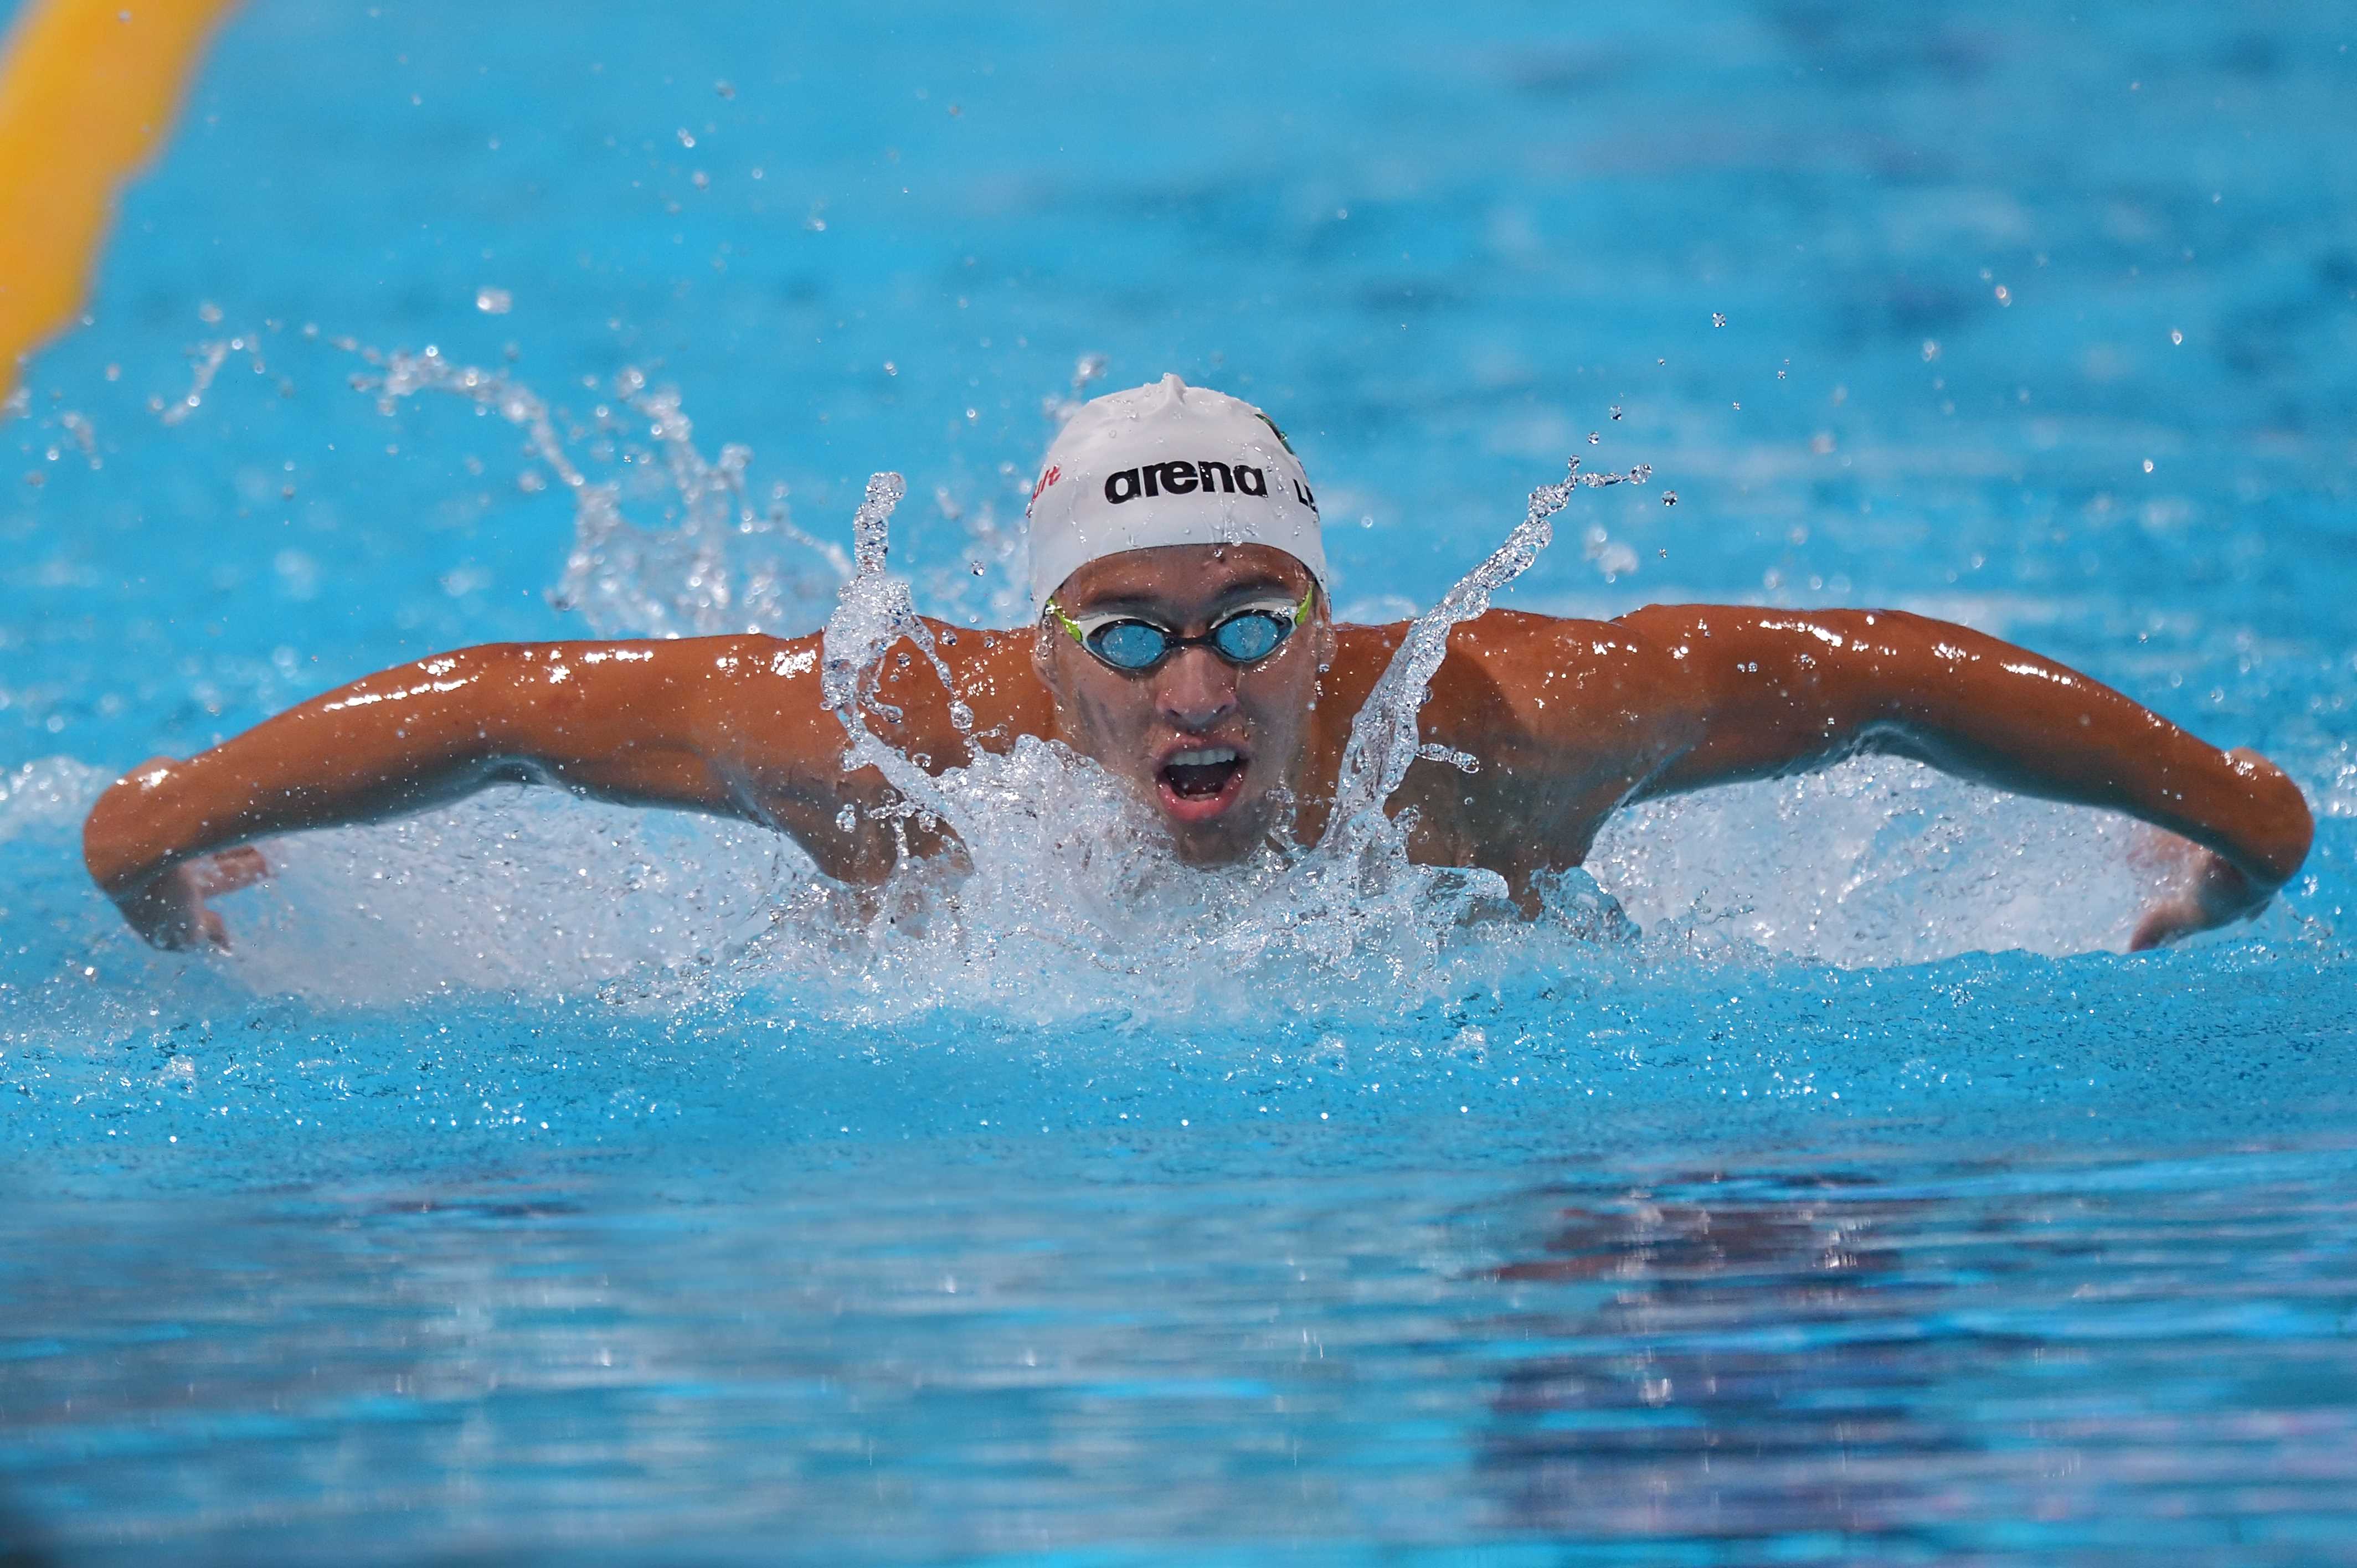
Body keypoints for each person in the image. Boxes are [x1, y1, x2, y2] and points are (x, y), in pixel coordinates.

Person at [84, 374, 2312, 954]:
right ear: (1037, 643)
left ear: (1324, 627)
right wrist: (157, 838)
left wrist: (2233, 817)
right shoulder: (888, 745)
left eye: (1254, 625)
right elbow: (495, 708)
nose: (1197, 688)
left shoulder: (1485, 738)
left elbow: (1881, 670)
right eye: (1129, 636)